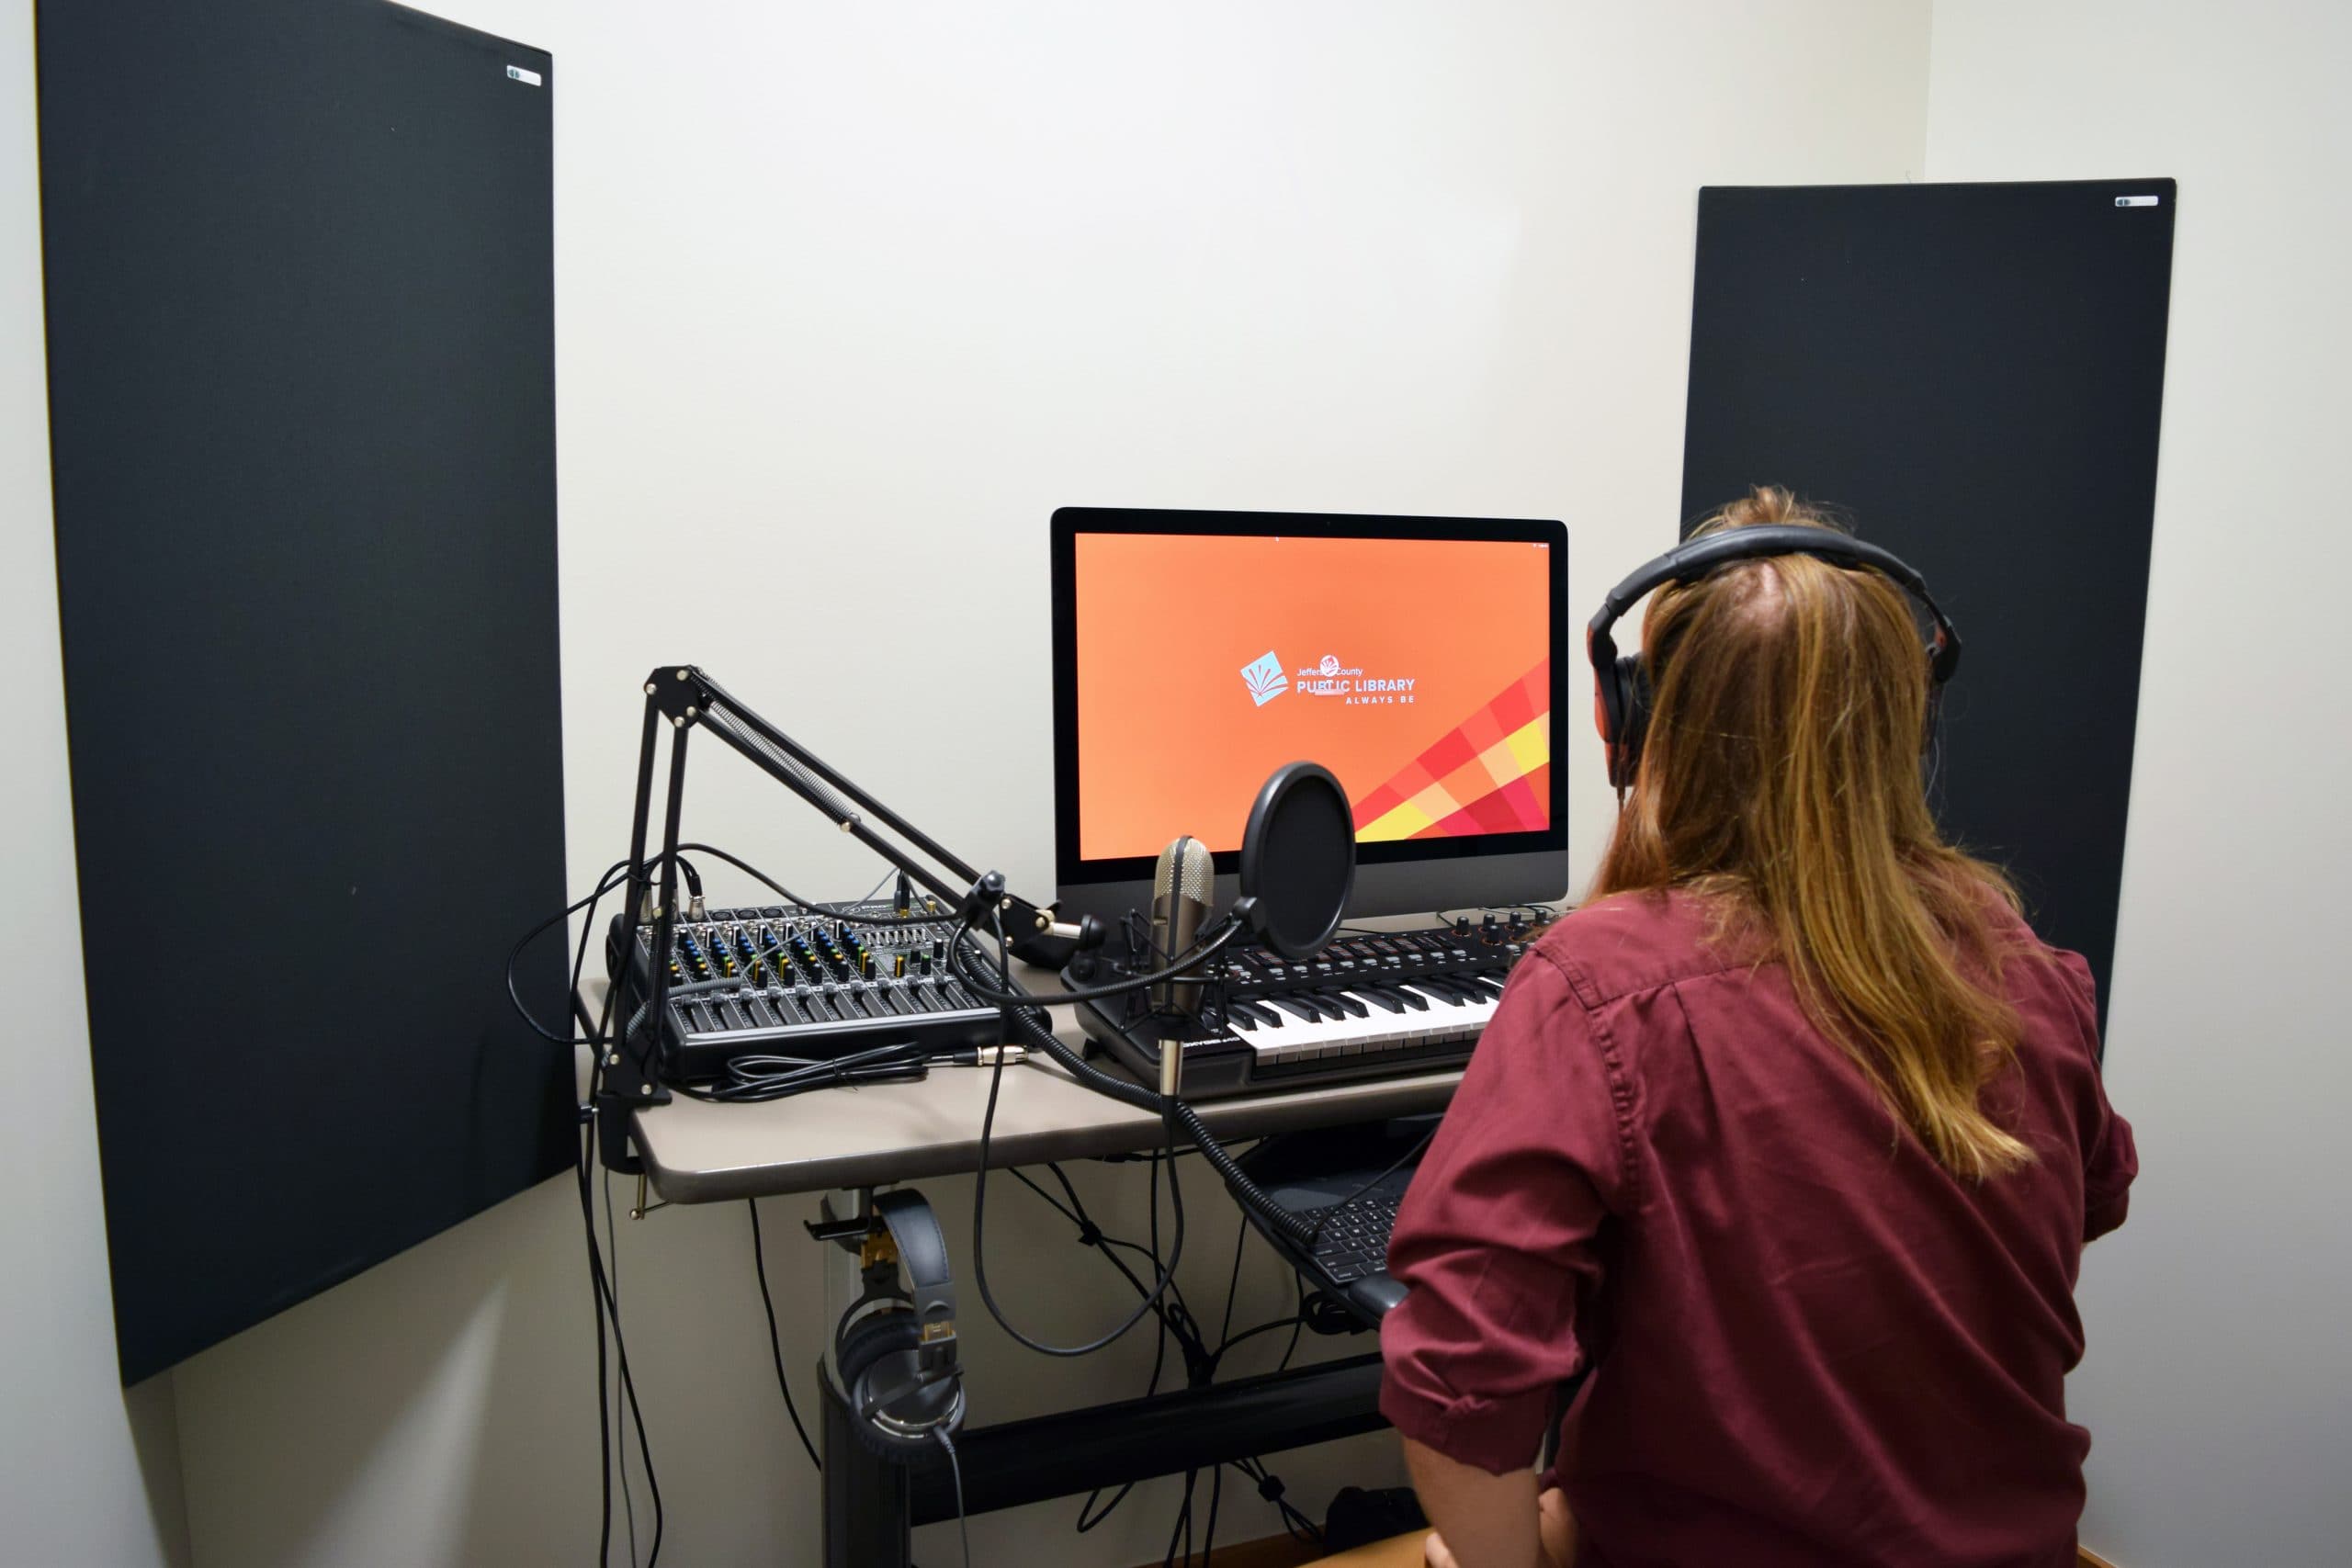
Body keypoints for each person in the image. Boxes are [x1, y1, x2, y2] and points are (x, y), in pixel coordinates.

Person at [1378, 488, 2136, 1568]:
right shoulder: (2024, 966)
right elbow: (2092, 1200)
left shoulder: (1593, 987)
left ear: (1625, 724)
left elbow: (1458, 1381)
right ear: (1904, 723)